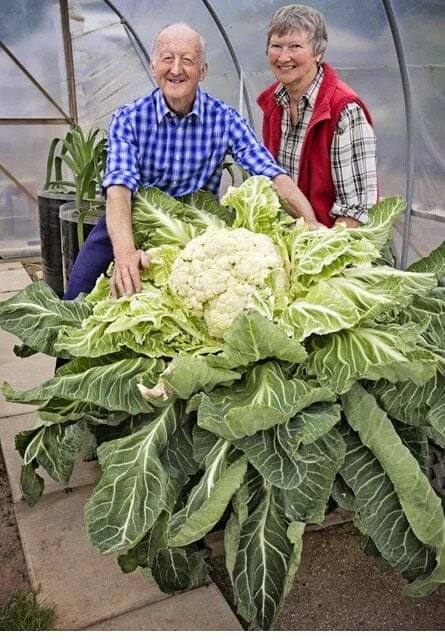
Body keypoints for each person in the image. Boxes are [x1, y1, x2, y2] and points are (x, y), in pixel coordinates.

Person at [64, 21, 321, 302]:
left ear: (202, 71)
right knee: (78, 291)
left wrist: (310, 224)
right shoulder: (128, 118)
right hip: (136, 221)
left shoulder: (224, 118)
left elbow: (270, 173)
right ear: (153, 66)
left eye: (188, 60)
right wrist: (125, 252)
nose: (176, 69)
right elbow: (118, 189)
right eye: (167, 59)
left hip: (197, 230)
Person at [257, 4, 378, 229]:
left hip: (333, 247)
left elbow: (357, 212)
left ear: (318, 53)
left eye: (295, 46)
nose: (284, 57)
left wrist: (320, 250)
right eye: (276, 46)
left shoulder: (345, 112)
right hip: (289, 241)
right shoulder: (274, 103)